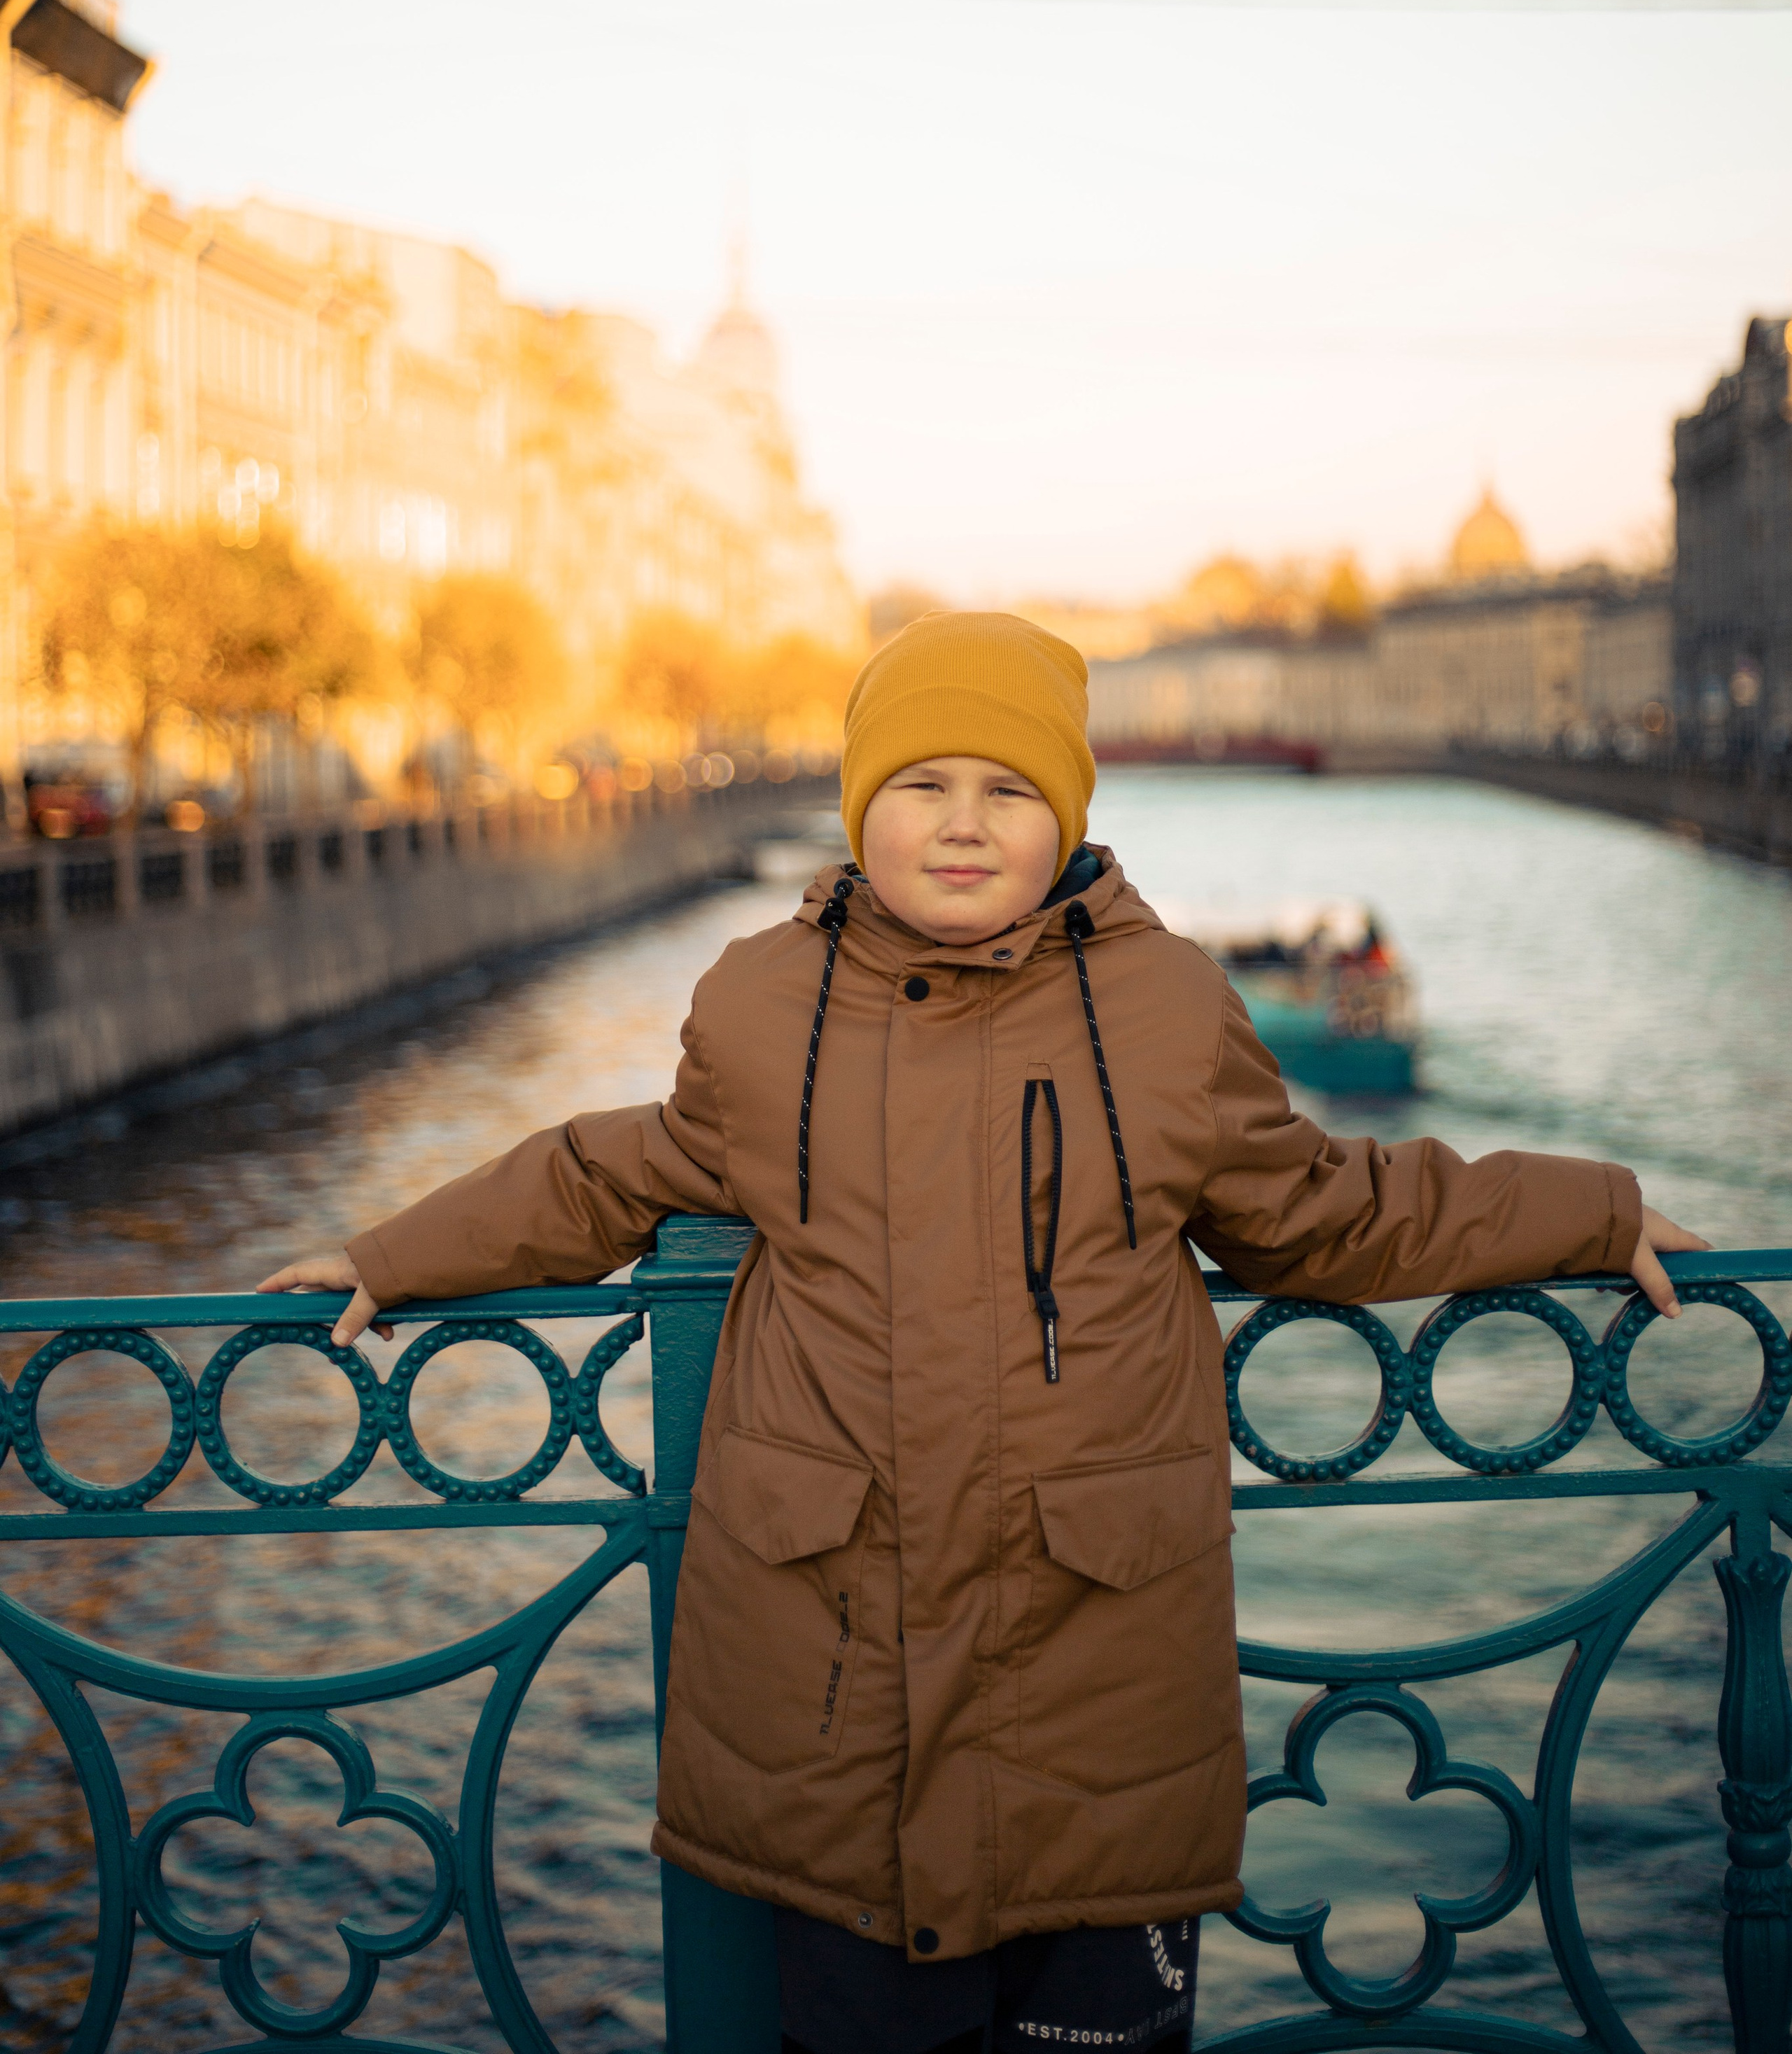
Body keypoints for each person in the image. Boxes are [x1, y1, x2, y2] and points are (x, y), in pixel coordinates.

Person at [262, 613, 1705, 2054]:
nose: (962, 826)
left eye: (1008, 790)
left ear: (1065, 814)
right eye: (920, 785)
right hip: (829, 1692)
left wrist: (1586, 1210)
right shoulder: (760, 1003)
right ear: (858, 806)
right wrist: (393, 1255)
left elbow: (1326, 1211)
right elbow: (610, 1172)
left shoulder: (1165, 1003)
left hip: (1093, 1680)